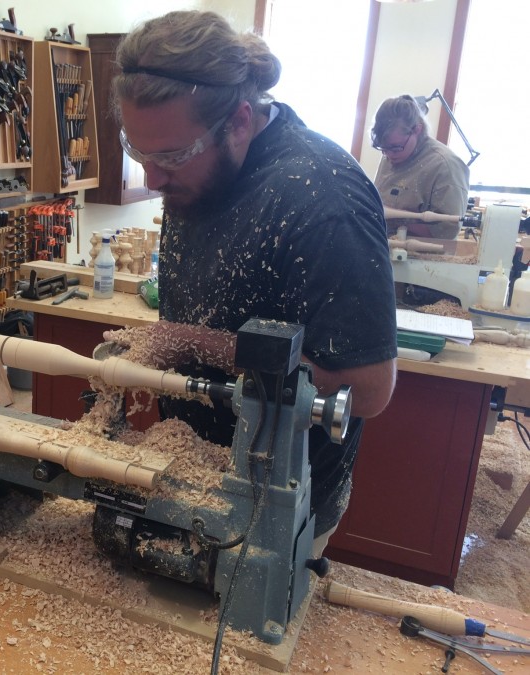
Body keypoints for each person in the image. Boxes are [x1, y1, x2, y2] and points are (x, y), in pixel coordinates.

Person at [106, 10, 398, 557]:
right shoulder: (195, 168)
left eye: (170, 156)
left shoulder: (320, 196)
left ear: (239, 121)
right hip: (187, 469)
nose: (152, 178)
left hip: (276, 501)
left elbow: (371, 391)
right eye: (138, 152)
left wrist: (191, 342)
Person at [372, 95, 470, 239]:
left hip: (421, 257)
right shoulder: (390, 153)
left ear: (417, 130)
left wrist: (397, 220)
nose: (388, 155)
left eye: (395, 148)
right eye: (383, 148)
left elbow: (446, 232)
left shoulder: (445, 166)